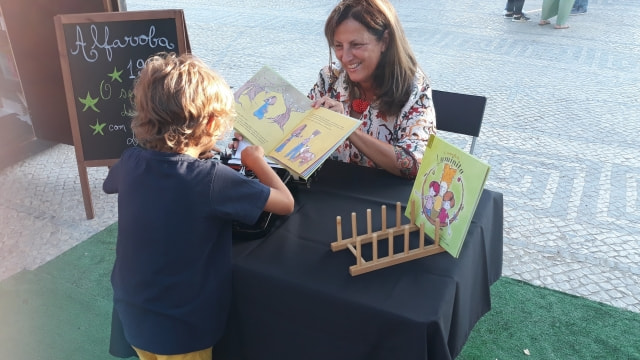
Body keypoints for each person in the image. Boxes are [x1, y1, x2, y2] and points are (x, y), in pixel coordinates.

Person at [103, 52, 294, 360]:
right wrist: (255, 160)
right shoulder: (210, 179)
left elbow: (111, 182)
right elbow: (285, 203)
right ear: (211, 122)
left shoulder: (130, 161)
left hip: (134, 316)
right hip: (184, 329)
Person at [308, 0, 436, 179]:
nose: (345, 57)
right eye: (338, 46)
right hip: (330, 192)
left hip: (384, 202)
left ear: (385, 41)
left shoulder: (413, 89)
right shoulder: (329, 78)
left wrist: (345, 128)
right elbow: (301, 135)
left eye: (356, 45)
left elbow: (416, 164)